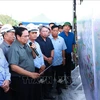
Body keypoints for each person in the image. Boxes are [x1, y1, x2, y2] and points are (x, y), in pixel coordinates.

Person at [7, 26, 40, 100]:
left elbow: (34, 57)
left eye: (28, 36)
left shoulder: (26, 45)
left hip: (29, 77)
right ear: (18, 36)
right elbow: (13, 67)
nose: (27, 38)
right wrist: (31, 74)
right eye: (25, 36)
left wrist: (33, 50)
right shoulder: (14, 48)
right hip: (20, 80)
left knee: (30, 96)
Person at [27, 23, 46, 100]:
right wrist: (39, 66)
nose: (35, 35)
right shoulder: (27, 44)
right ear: (28, 33)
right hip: (33, 69)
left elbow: (40, 55)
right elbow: (30, 58)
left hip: (41, 68)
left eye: (35, 33)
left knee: (39, 87)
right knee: (33, 89)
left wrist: (43, 65)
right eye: (32, 33)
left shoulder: (36, 43)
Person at [36, 25, 55, 99]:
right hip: (41, 64)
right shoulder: (37, 40)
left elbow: (52, 49)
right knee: (41, 80)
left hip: (49, 63)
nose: (45, 33)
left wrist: (51, 57)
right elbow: (38, 53)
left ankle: (48, 94)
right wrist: (47, 59)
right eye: (43, 31)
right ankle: (41, 95)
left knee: (48, 78)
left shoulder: (49, 39)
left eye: (47, 31)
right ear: (40, 32)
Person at [50, 25, 67, 94]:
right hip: (50, 62)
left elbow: (63, 50)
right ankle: (49, 88)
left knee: (59, 76)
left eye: (57, 31)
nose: (55, 32)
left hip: (59, 61)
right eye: (54, 30)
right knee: (50, 76)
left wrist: (64, 58)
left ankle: (58, 87)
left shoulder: (61, 39)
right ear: (51, 31)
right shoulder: (48, 39)